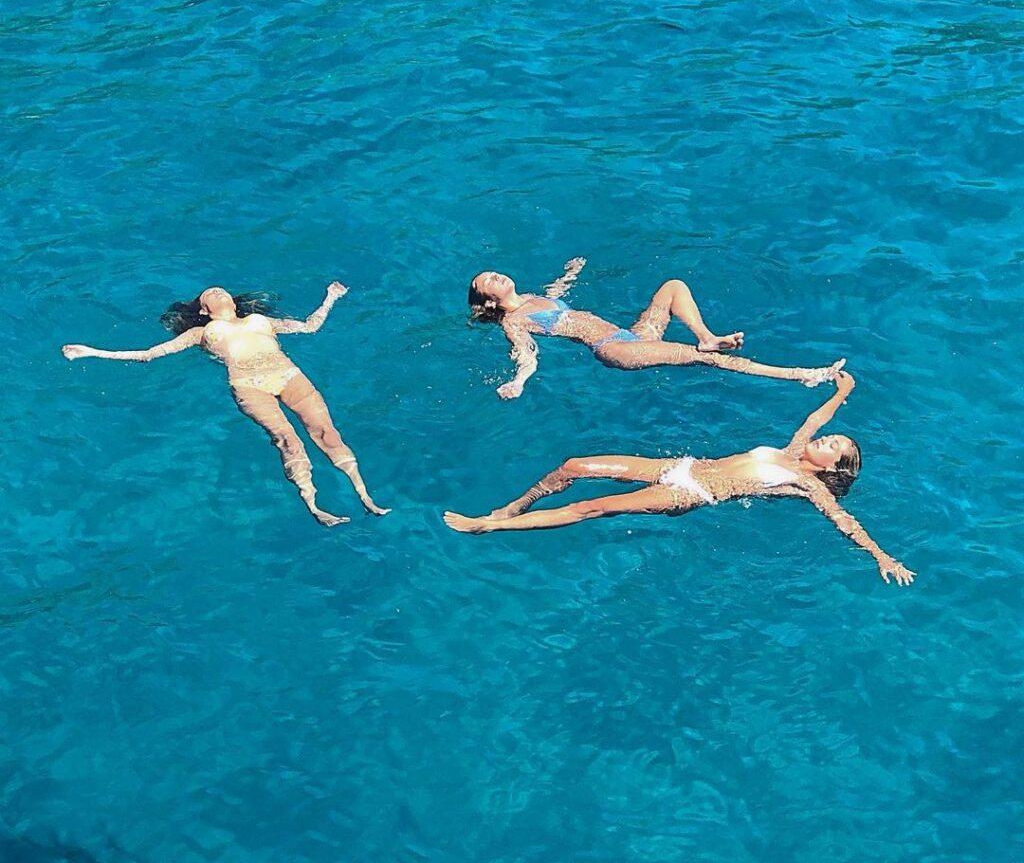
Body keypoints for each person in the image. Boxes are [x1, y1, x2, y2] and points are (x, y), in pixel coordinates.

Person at [444, 373, 915, 586]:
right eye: (832, 437)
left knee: (595, 506)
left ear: (833, 468)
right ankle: (515, 505)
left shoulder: (807, 484)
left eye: (835, 446)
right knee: (574, 465)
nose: (827, 439)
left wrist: (881, 556)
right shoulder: (791, 451)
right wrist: (842, 392)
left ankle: (490, 524)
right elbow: (815, 418)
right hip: (682, 465)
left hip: (688, 491)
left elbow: (842, 520)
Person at [62, 284, 388, 527]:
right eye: (209, 294)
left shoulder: (262, 320)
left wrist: (330, 297)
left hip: (288, 374)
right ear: (203, 310)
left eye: (220, 290)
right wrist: (92, 351)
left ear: (233, 300)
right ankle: (315, 506)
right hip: (248, 385)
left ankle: (364, 495)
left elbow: (309, 326)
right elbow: (149, 353)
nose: (217, 292)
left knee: (326, 433)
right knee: (288, 439)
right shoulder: (201, 333)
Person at [468, 258, 845, 399]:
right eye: (487, 280)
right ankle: (801, 375)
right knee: (708, 362)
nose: (494, 275)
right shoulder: (515, 320)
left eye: (493, 271)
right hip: (614, 350)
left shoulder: (533, 298)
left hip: (630, 337)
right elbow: (525, 353)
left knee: (673, 286)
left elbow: (556, 298)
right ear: (487, 300)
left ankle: (707, 336)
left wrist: (569, 275)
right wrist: (519, 381)